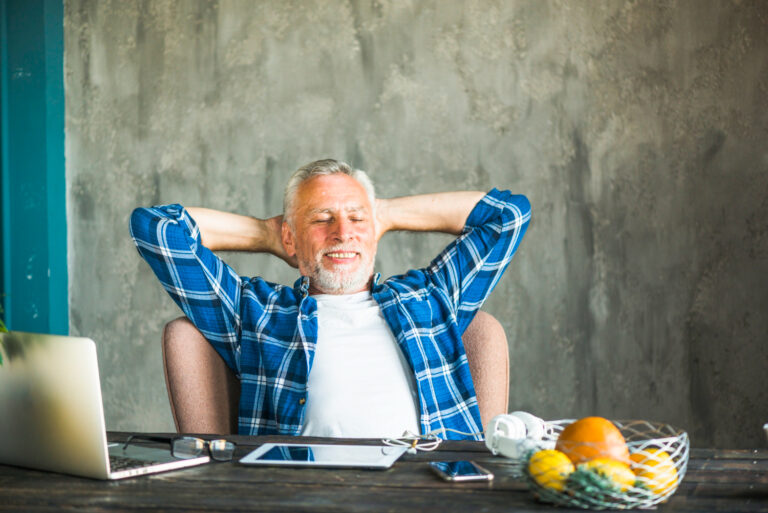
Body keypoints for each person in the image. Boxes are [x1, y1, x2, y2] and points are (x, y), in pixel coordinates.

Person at [130, 159, 531, 440]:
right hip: (300, 493)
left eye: (356, 219)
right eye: (322, 219)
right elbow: (156, 228)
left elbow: (508, 215)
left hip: (429, 492)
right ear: (291, 237)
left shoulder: (430, 298)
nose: (342, 233)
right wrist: (267, 234)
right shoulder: (255, 312)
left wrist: (384, 213)